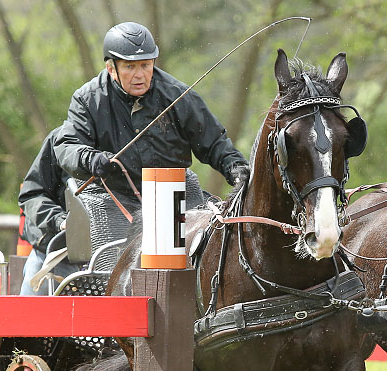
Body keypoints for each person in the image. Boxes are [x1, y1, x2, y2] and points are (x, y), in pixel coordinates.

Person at [54, 22, 248, 268]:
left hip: (175, 189)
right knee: (114, 266)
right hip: (112, 194)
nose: (140, 75)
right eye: (130, 67)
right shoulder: (87, 99)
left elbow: (214, 142)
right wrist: (89, 159)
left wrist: (234, 166)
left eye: (146, 65)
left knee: (202, 258)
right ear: (111, 68)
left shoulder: (179, 95)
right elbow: (67, 145)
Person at [18, 126, 80, 295]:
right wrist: (60, 221)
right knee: (30, 316)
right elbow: (32, 194)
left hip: (110, 257)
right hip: (52, 254)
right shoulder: (59, 139)